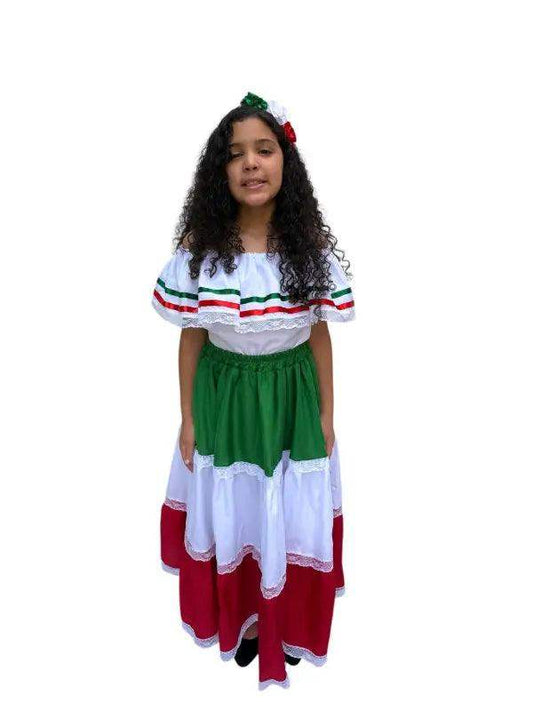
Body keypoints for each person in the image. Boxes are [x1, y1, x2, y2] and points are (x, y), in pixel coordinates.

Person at [152, 91, 355, 690]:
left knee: (290, 513)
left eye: (264, 150)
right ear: (220, 171)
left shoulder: (307, 250)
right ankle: (243, 623)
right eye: (236, 154)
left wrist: (327, 414)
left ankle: (283, 623)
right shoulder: (203, 253)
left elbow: (319, 334)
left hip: (292, 399)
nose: (251, 164)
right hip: (226, 401)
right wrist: (188, 418)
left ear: (285, 162)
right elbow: (192, 337)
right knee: (236, 510)